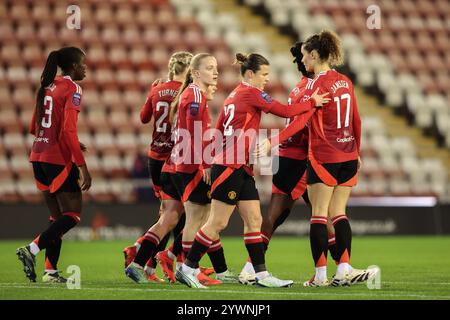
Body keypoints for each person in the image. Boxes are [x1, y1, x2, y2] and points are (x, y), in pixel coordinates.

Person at [175, 52, 330, 289]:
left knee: (255, 218)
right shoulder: (250, 92)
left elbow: (218, 129)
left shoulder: (235, 94)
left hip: (241, 166)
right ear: (250, 74)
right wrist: (312, 103)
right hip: (230, 166)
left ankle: (261, 274)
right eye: (264, 75)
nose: (267, 79)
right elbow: (285, 112)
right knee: (217, 222)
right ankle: (187, 268)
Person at [239, 42, 340, 284]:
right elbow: (300, 123)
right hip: (300, 159)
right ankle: (341, 267)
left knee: (276, 217)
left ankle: (250, 268)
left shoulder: (298, 88)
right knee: (321, 216)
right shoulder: (312, 91)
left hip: (285, 159)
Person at [298, 30, 378, 287]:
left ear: (314, 54)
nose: (302, 62)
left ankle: (320, 276)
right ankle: (343, 269)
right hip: (348, 154)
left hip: (324, 155)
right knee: (339, 213)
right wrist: (357, 151)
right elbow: (356, 119)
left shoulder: (315, 86)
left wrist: (272, 141)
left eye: (304, 57)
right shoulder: (345, 81)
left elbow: (301, 120)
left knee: (319, 215)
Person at [16, 47, 91, 283]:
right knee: (72, 214)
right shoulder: (73, 88)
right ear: (74, 67)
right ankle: (31, 249)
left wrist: (69, 140)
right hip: (57, 159)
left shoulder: (47, 85)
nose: (86, 68)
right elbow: (68, 129)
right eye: (83, 64)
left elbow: (34, 127)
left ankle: (50, 272)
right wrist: (82, 165)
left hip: (38, 155)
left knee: (57, 216)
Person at [123, 52, 193, 283]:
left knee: (169, 213)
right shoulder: (186, 91)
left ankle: (149, 262)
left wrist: (152, 93)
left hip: (155, 157)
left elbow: (144, 118)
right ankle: (167, 260)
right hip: (175, 159)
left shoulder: (157, 89)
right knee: (181, 214)